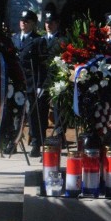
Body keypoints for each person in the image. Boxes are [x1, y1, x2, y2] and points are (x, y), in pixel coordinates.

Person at [9, 10, 48, 157]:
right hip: (18, 82)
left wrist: (40, 85)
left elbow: (42, 65)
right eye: (21, 21)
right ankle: (14, 142)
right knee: (16, 113)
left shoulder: (38, 41)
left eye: (26, 21)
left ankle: (36, 143)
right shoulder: (15, 38)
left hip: (32, 83)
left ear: (33, 23)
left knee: (33, 116)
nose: (23, 24)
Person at [43, 10, 68, 138]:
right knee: (41, 107)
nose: (48, 25)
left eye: (51, 23)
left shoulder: (63, 40)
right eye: (47, 22)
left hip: (57, 79)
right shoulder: (40, 39)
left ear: (57, 23)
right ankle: (39, 134)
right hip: (42, 79)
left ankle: (60, 134)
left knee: (59, 108)